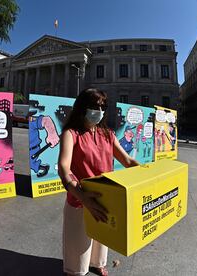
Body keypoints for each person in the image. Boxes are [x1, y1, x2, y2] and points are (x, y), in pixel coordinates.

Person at [58, 88, 140, 276]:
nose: (99, 110)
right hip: (79, 200)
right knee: (78, 248)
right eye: (95, 106)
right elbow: (64, 167)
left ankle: (98, 263)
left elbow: (127, 161)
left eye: (103, 106)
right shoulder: (71, 134)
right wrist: (82, 196)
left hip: (105, 198)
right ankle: (75, 270)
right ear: (82, 107)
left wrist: (147, 174)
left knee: (102, 239)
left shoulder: (108, 134)